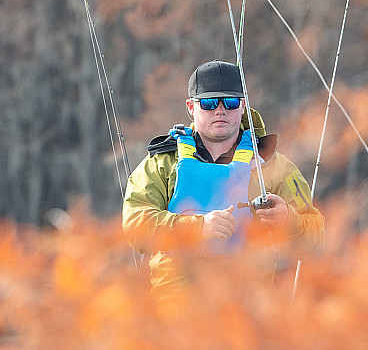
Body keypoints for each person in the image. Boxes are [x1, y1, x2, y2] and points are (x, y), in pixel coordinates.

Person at [122, 60, 325, 292]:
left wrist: (288, 220)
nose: (220, 110)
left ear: (243, 105)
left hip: (248, 305)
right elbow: (135, 227)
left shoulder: (273, 166)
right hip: (175, 305)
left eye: (230, 101)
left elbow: (316, 243)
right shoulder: (162, 163)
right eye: (208, 103)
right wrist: (197, 228)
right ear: (191, 107)